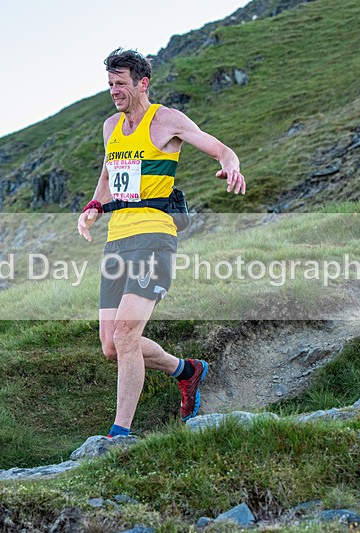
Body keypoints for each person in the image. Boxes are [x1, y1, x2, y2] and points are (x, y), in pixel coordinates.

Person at [77, 48, 246, 439]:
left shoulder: (165, 120)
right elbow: (107, 179)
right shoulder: (110, 127)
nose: (114, 91)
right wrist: (92, 208)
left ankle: (119, 434)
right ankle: (188, 372)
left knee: (125, 333)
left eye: (121, 84)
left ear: (142, 83)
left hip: (154, 238)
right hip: (117, 242)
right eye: (110, 84)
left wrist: (231, 164)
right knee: (111, 345)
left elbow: (219, 147)